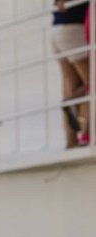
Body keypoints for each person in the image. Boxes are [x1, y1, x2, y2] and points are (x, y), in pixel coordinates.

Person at [51, 0, 90, 147]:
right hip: (74, 28)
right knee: (91, 84)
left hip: (57, 28)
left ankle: (71, 140)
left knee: (69, 87)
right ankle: (87, 135)